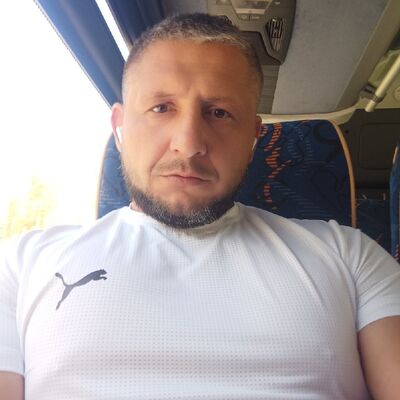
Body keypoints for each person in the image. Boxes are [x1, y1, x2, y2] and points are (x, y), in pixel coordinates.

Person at [1, 12, 400, 400]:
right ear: (120, 128)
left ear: (253, 139)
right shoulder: (20, 266)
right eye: (161, 108)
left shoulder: (350, 257)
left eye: (220, 113)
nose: (189, 143)